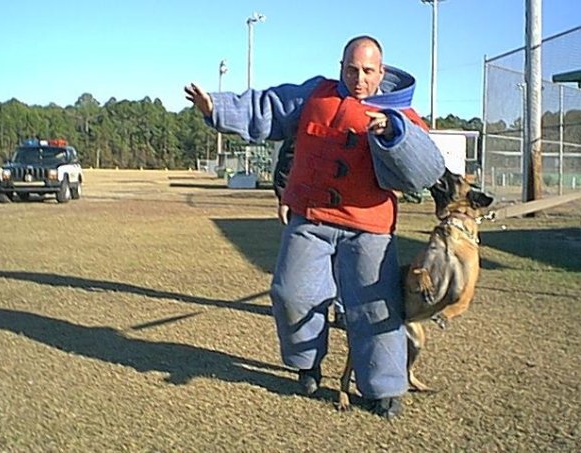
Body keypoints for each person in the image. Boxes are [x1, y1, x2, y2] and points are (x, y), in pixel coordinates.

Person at [185, 35, 445, 419]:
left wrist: (394, 134)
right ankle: (306, 364)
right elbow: (267, 107)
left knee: (375, 307)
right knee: (292, 294)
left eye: (368, 71)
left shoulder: (399, 113)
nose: (359, 79)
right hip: (311, 218)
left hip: (368, 226)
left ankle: (384, 388)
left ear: (382, 72)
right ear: (341, 66)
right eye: (352, 69)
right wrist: (218, 109)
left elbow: (426, 168)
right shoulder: (315, 95)